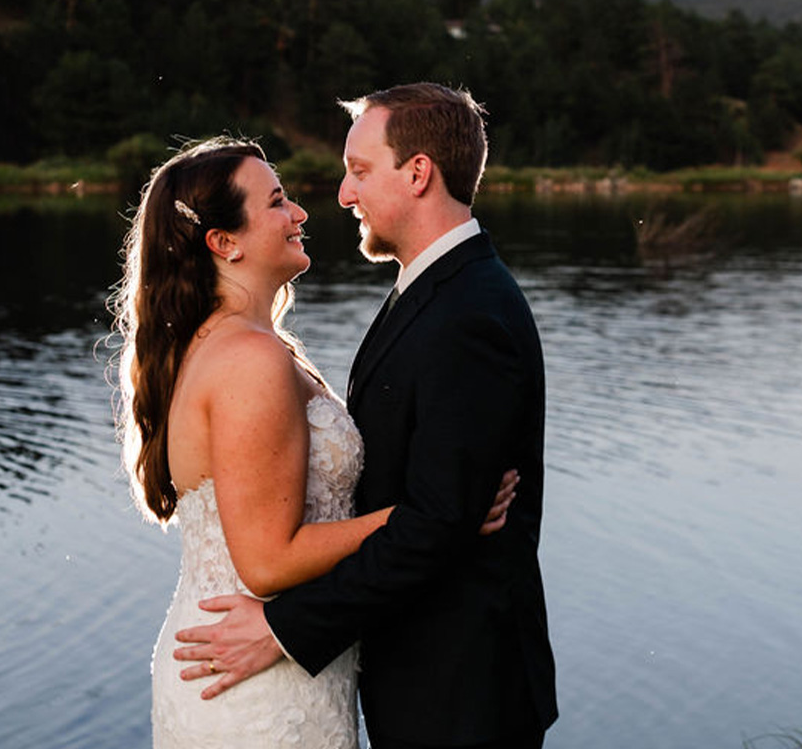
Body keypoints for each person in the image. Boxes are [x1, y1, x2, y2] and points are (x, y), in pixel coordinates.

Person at [174, 83, 558, 749]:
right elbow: (433, 508)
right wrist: (444, 512)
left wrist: (284, 628)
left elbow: (436, 524)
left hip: (461, 692)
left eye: (358, 171)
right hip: (414, 678)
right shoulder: (432, 292)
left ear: (418, 173)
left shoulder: (468, 314)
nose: (342, 195)